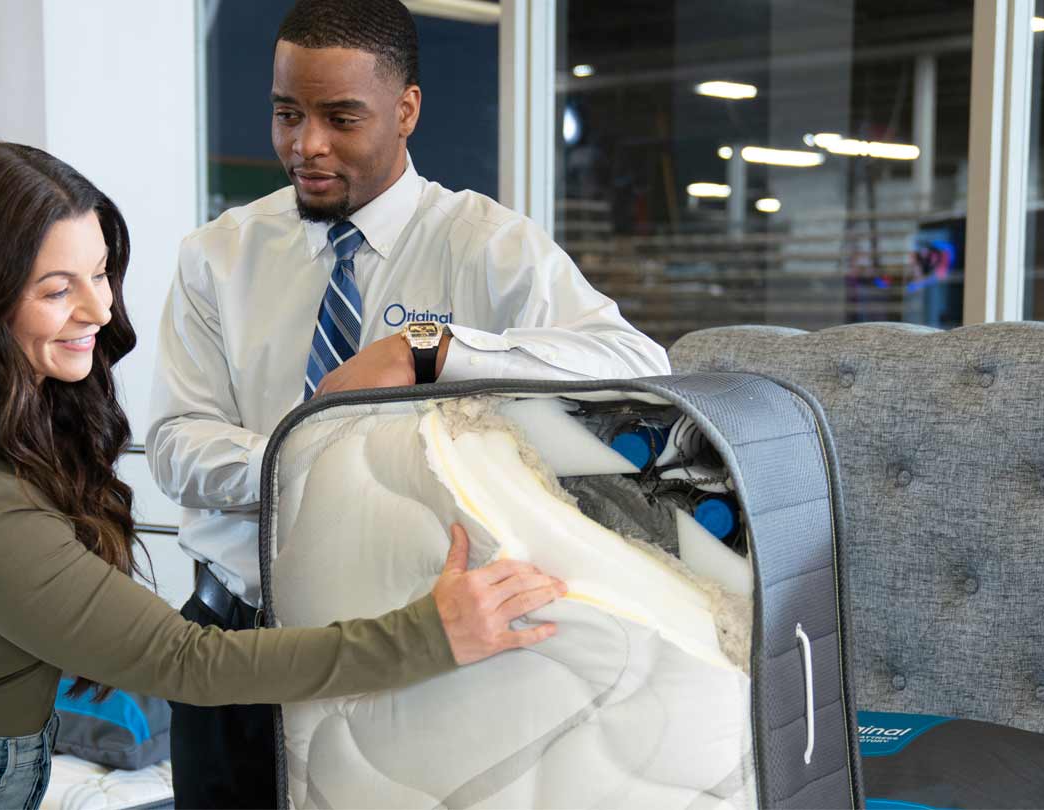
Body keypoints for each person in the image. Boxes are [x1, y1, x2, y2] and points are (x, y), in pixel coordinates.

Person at [0, 139, 565, 810]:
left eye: (100, 272)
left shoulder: (7, 415)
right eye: (58, 288)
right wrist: (428, 634)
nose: (99, 309)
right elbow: (185, 660)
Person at [147, 1, 670, 806]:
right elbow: (179, 443)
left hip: (416, 656)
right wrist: (322, 462)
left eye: (339, 117)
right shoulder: (217, 257)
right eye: (288, 114)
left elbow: (637, 363)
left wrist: (431, 350)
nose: (305, 145)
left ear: (407, 109)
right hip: (236, 653)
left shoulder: (486, 246)